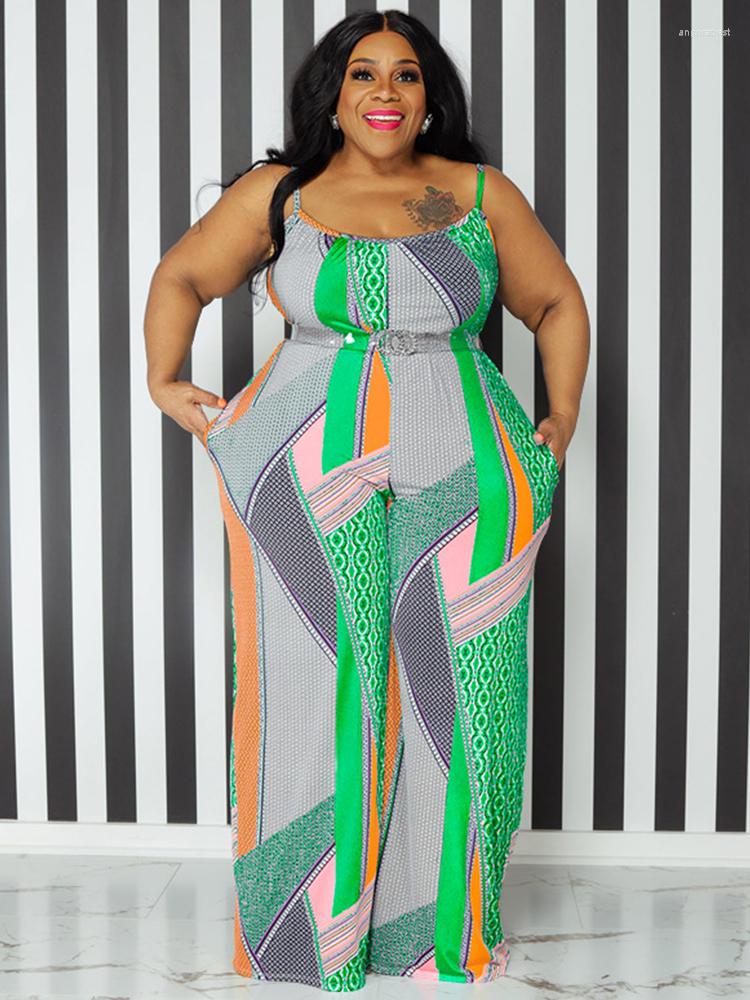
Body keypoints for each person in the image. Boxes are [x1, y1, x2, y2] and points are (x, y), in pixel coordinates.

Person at [143, 8, 588, 992]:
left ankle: (436, 933)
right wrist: (164, 380)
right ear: (333, 97)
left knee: (462, 687)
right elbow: (181, 276)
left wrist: (558, 421)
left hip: (467, 457)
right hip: (304, 460)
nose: (385, 90)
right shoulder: (283, 195)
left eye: (406, 74)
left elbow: (557, 302)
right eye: (363, 73)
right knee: (312, 682)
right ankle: (312, 938)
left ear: (429, 99)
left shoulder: (474, 194)